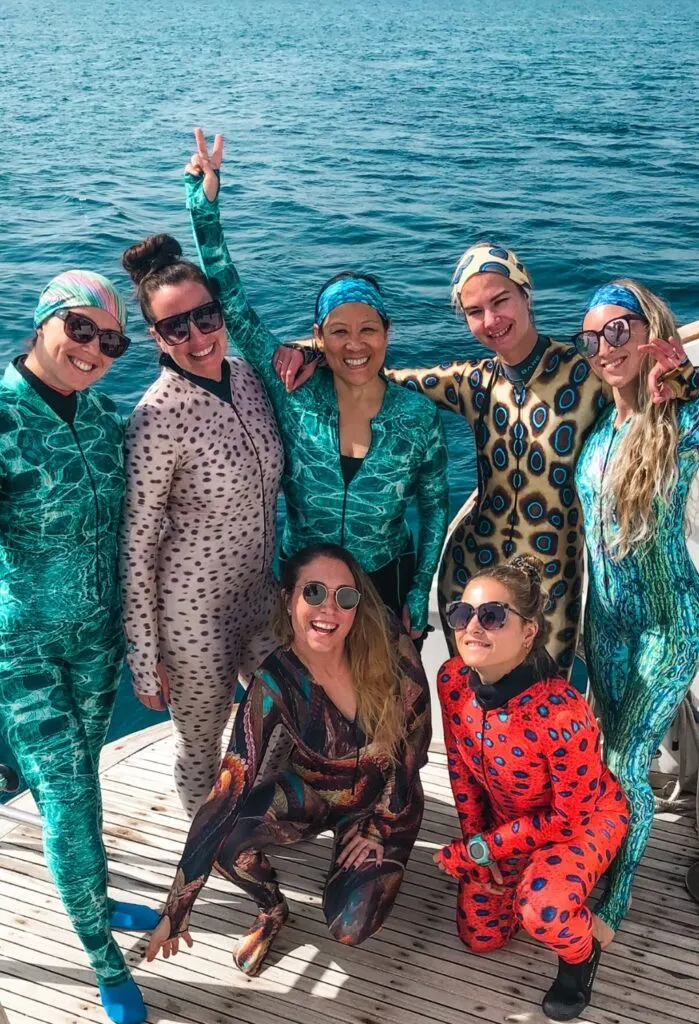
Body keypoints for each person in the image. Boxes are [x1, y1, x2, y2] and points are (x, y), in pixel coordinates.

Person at [275, 244, 691, 673]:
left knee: (545, 704)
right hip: (470, 570)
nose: (491, 321)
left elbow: (650, 391)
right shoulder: (474, 382)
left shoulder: (587, 370)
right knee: (472, 705)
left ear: (526, 295)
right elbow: (371, 371)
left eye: (500, 301)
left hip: (551, 581)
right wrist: (311, 350)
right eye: (475, 311)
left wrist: (685, 381)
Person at [182, 129, 448, 643]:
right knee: (306, 710)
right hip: (301, 585)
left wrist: (420, 588)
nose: (356, 344)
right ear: (319, 337)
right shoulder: (292, 389)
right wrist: (204, 207)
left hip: (383, 583)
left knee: (381, 712)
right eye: (340, 331)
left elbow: (434, 506)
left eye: (368, 329)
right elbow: (231, 303)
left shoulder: (417, 417)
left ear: (387, 333)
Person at [145, 543, 430, 976]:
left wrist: (379, 825)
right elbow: (228, 790)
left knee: (350, 928)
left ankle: (352, 854)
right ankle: (271, 908)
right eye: (313, 592)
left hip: (388, 800)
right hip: (316, 795)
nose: (328, 609)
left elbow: (416, 739)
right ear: (289, 598)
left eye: (344, 597)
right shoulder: (274, 681)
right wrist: (177, 906)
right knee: (222, 839)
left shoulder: (386, 641)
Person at [0, 272, 155, 1024]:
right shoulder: (1, 417)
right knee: (64, 801)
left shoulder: (101, 416)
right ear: (43, 322)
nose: (94, 349)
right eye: (79, 328)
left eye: (111, 339)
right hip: (21, 647)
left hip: (98, 643)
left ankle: (96, 896)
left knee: (85, 782)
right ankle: (104, 960)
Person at [120, 227, 285, 817]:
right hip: (192, 617)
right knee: (201, 744)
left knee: (288, 711)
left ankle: (252, 815)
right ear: (156, 337)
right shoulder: (155, 418)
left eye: (206, 317)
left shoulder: (246, 377)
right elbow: (136, 545)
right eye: (175, 327)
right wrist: (144, 656)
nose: (196, 336)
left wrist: (307, 353)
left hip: (259, 594)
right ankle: (211, 848)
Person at [434, 555, 628, 1021]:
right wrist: (478, 847)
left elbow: (570, 817)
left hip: (585, 821)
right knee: (481, 938)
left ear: (528, 632)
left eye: (493, 616)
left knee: (542, 910)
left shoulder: (562, 712)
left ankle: (580, 957)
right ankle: (548, 879)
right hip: (512, 822)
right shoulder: (452, 681)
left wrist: (480, 850)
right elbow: (462, 772)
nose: (473, 626)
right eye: (462, 613)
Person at [574, 280, 699, 946]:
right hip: (606, 623)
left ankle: (611, 908)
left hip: (668, 623)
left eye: (618, 330)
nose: (604, 348)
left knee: (626, 765)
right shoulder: (602, 425)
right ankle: (602, 860)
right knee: (604, 759)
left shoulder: (679, 422)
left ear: (650, 330)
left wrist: (690, 381)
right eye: (592, 338)